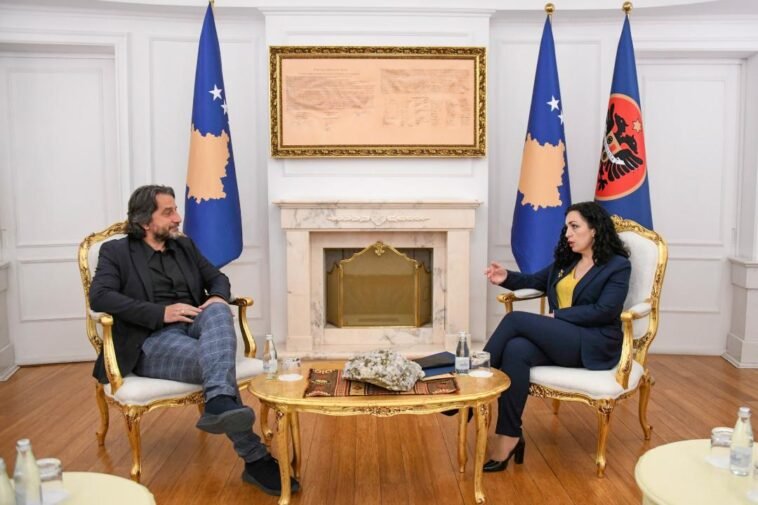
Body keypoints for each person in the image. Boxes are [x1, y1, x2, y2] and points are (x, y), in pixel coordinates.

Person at [90, 184, 299, 496]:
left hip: (196, 324)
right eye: (168, 212)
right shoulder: (117, 252)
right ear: (145, 221)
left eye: (176, 209)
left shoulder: (183, 245)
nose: (178, 217)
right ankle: (255, 458)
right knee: (217, 363)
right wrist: (161, 313)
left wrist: (217, 297)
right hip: (151, 340)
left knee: (219, 311)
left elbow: (217, 278)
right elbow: (100, 296)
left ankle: (218, 403)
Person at [482, 201, 631, 472]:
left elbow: (606, 310)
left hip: (592, 343)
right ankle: (509, 435)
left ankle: (474, 380)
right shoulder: (567, 261)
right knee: (516, 349)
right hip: (562, 341)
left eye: (575, 227)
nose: (568, 234)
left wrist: (559, 316)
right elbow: (534, 281)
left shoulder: (617, 266)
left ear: (595, 229)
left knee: (515, 320)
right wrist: (506, 277)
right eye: (566, 228)